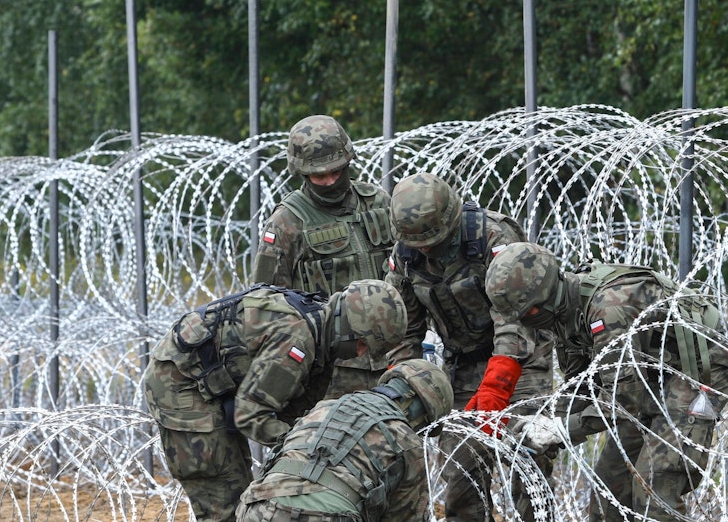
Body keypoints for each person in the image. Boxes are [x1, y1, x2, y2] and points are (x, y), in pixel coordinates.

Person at [483, 242, 728, 522]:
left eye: (526, 313)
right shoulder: (565, 314)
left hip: (700, 369)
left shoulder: (608, 310)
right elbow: (581, 388)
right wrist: (538, 430)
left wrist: (559, 429)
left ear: (543, 297)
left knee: (655, 484)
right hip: (650, 374)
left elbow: (622, 402)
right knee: (610, 487)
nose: (524, 322)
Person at [145, 280, 406, 522]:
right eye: (361, 344)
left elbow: (297, 413)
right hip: (180, 385)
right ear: (348, 326)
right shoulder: (298, 340)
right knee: (226, 498)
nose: (360, 354)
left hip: (213, 383)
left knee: (243, 490)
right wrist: (303, 446)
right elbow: (251, 416)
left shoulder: (321, 331)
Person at [381, 172, 555, 521]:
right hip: (462, 364)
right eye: (418, 243)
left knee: (530, 455)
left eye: (432, 240)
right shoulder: (406, 255)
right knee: (461, 465)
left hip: (521, 358)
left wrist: (498, 385)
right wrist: (405, 387)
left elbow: (514, 316)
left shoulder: (492, 237)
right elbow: (402, 330)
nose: (425, 249)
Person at [254, 115, 399, 397]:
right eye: (319, 176)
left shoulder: (378, 203)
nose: (330, 181)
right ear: (302, 172)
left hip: (392, 356)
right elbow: (267, 304)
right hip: (332, 372)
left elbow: (408, 271)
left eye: (336, 171)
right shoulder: (286, 223)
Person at [235, 359, 454, 522]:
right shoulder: (408, 442)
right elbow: (405, 516)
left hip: (258, 506)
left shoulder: (326, 407)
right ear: (422, 414)